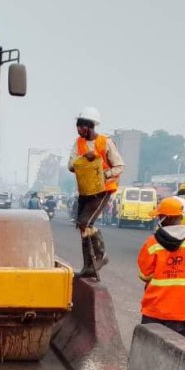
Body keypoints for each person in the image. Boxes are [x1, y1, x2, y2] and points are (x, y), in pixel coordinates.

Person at [137, 196, 185, 338]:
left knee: (149, 352)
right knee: (175, 355)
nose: (158, 219)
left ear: (167, 218)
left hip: (154, 309)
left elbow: (144, 275)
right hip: (181, 311)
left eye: (160, 216)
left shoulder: (152, 243)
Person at [67, 107, 124, 278]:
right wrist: (85, 158)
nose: (78, 130)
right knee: (82, 226)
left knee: (86, 222)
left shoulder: (105, 142)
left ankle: (101, 255)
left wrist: (103, 174)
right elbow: (71, 165)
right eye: (77, 126)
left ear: (89, 126)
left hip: (103, 189)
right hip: (86, 189)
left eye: (80, 126)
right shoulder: (79, 143)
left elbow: (119, 166)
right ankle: (88, 265)